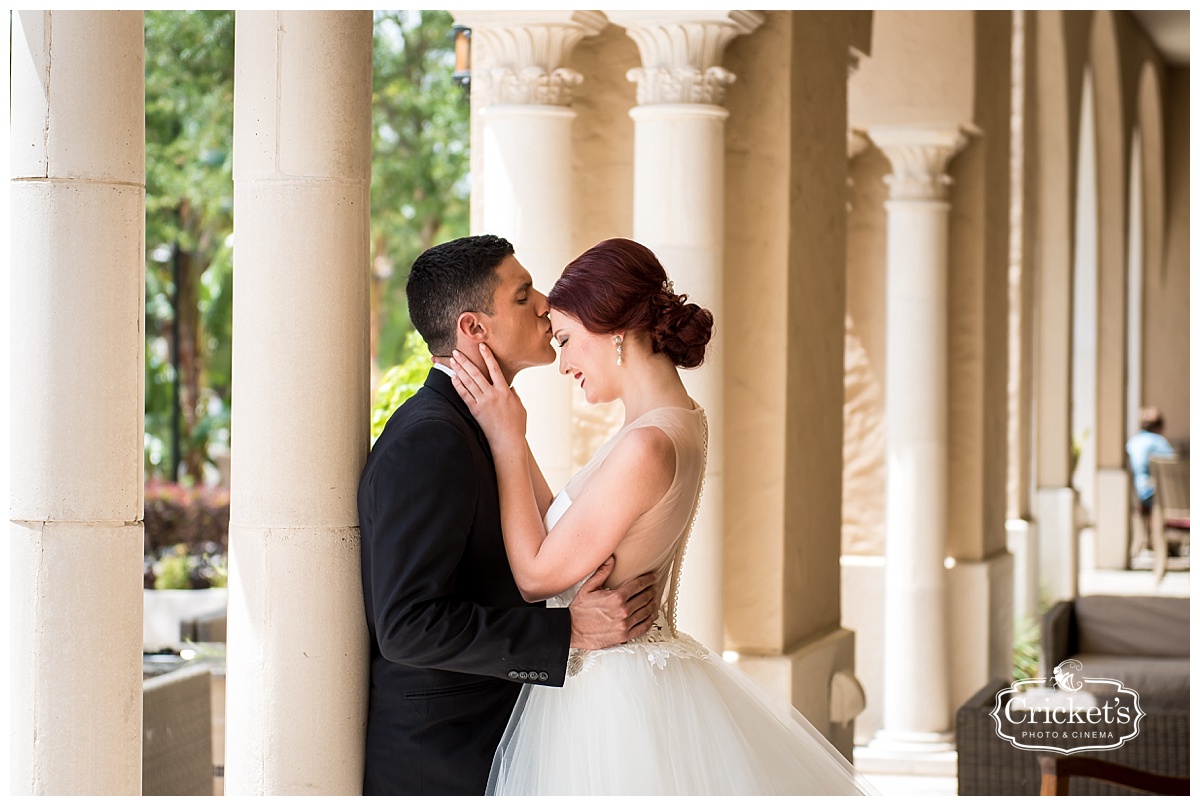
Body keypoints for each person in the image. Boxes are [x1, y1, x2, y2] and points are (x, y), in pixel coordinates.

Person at [450, 237, 877, 795]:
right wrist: (512, 428)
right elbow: (565, 525)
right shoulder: (676, 421)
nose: (564, 364)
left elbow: (534, 576)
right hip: (625, 679)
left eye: (567, 340)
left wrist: (506, 443)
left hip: (610, 699)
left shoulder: (647, 445)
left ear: (616, 330)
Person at [357, 234, 660, 796]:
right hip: (442, 762)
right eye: (524, 296)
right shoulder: (429, 439)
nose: (546, 303)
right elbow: (407, 627)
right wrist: (565, 631)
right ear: (475, 328)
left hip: (492, 744)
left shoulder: (482, 426)